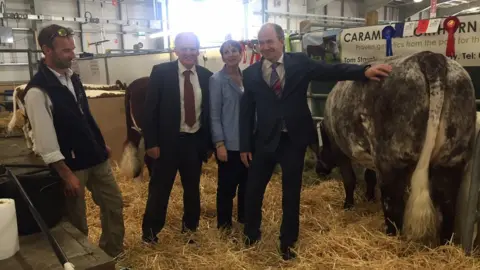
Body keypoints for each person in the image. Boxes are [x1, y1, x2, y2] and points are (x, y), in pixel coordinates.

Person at [239, 23, 392, 260]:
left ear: (281, 41)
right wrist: (245, 146)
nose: (265, 47)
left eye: (270, 41)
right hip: (264, 142)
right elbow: (246, 112)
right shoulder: (249, 74)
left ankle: (287, 243)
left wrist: (363, 71)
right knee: (253, 190)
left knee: (291, 194)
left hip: (294, 140)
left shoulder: (299, 62)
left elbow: (331, 70)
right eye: (261, 42)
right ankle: (251, 234)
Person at [22, 24, 125, 258]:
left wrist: (100, 143)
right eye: (65, 51)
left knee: (114, 205)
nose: (72, 55)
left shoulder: (73, 78)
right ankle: (83, 260)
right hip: (70, 165)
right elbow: (45, 138)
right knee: (76, 219)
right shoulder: (38, 91)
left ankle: (111, 255)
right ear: (47, 50)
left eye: (72, 49)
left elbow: (85, 116)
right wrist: (64, 173)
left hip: (95, 157)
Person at [141, 32, 214, 244]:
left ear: (198, 51)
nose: (189, 52)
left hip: (194, 142)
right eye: (184, 48)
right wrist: (151, 143)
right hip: (166, 144)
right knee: (160, 189)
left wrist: (208, 144)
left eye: (193, 48)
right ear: (176, 50)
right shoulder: (161, 72)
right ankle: (150, 233)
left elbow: (208, 112)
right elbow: (150, 110)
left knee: (192, 190)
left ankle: (190, 230)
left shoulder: (207, 76)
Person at [209, 40, 248, 233]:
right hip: (229, 144)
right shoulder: (217, 80)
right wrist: (219, 143)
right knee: (226, 188)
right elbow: (214, 114)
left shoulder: (247, 77)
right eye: (226, 52)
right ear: (222, 56)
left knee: (247, 186)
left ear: (241, 53)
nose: (231, 54)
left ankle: (243, 219)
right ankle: (224, 225)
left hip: (248, 143)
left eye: (234, 51)